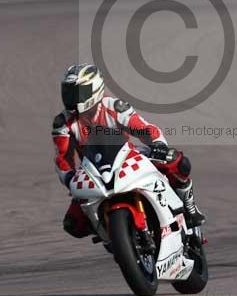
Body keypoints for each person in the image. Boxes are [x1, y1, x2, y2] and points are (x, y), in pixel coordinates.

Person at [53, 63, 206, 238]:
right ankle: (111, 234)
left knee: (177, 161)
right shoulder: (63, 123)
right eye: (68, 92)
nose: (71, 98)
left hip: (128, 158)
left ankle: (189, 207)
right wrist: (69, 178)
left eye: (77, 92)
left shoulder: (114, 107)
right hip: (93, 171)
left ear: (94, 89)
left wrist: (158, 145)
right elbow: (62, 158)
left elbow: (144, 129)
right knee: (73, 224)